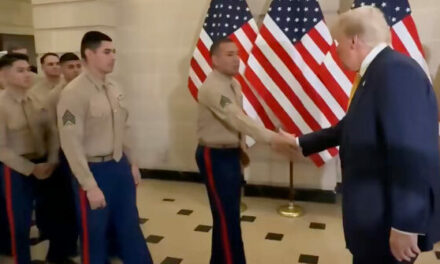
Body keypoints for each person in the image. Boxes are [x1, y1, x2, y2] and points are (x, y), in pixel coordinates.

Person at [282, 6, 440, 264]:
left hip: (387, 220)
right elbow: (350, 126)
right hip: (373, 218)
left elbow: (411, 152)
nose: (335, 50)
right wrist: (299, 142)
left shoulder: (396, 72)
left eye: (337, 42)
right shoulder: (376, 73)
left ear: (354, 40)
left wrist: (405, 225)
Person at [57, 31, 152, 264]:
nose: (113, 57)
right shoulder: (73, 94)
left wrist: (133, 163)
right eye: (107, 52)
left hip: (119, 166)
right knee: (95, 235)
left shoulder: (113, 87)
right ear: (89, 54)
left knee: (129, 226)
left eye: (114, 52)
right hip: (92, 171)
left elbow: (123, 129)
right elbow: (70, 143)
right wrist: (89, 186)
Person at [196, 38, 293, 264]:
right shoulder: (212, 88)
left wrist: (245, 147)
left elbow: (240, 120)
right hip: (214, 156)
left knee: (227, 217)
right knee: (227, 218)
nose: (237, 59)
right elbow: (236, 118)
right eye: (229, 54)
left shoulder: (232, 83)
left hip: (229, 155)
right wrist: (271, 137)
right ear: (214, 60)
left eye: (237, 54)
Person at [0, 53, 59, 264]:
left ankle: (56, 254)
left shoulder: (37, 99)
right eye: (20, 70)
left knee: (51, 213)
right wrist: (30, 169)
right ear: (4, 75)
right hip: (15, 169)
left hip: (43, 164)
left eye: (28, 69)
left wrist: (51, 160)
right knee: (20, 221)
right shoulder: (1, 105)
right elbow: (2, 149)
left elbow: (52, 132)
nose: (28, 74)